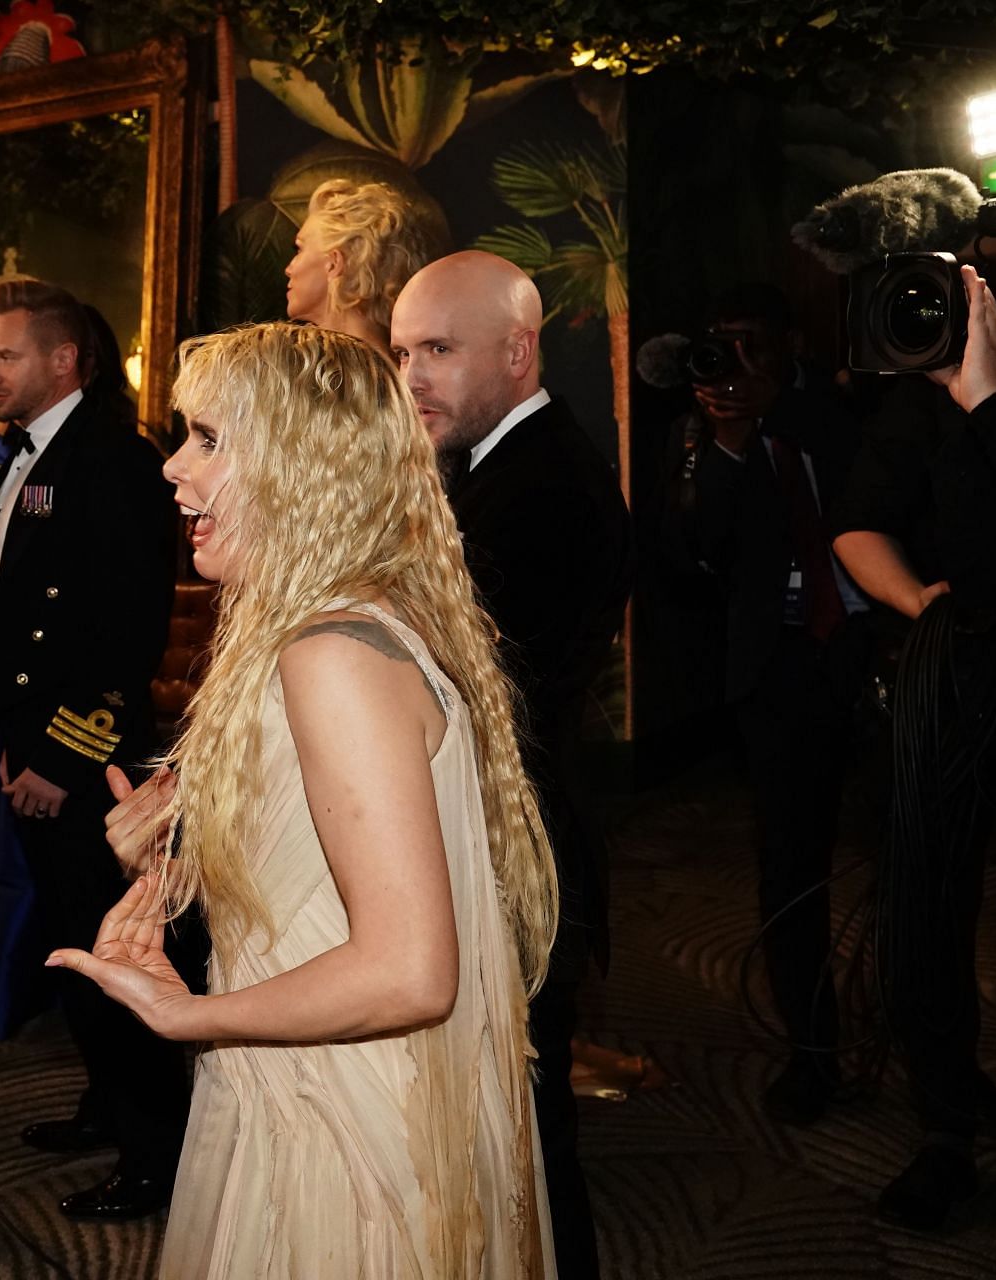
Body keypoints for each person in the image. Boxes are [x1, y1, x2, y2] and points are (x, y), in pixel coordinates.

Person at [55, 321, 556, 1276]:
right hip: (321, 1075)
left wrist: (181, 1015)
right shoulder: (345, 619)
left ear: (301, 461)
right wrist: (181, 856)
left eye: (209, 439)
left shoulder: (330, 654)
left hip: (341, 1104)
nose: (173, 470)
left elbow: (410, 972)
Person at [390, 249, 632, 1279]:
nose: (412, 377)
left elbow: (474, 696)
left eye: (438, 349)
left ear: (518, 349)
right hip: (497, 839)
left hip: (512, 852)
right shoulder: (496, 467)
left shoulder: (544, 490)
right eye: (402, 351)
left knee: (524, 1134)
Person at [0, 275, 185, 1220]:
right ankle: (109, 1105)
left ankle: (154, 1153)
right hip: (30, 738)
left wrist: (59, 757)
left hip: (87, 761)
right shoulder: (28, 454)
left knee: (111, 948)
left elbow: (123, 636)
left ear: (64, 360)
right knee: (76, 946)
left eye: (6, 355)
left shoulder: (114, 461)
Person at [656, 283, 872, 1125]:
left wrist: (777, 415)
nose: (734, 361)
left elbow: (877, 487)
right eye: (722, 341)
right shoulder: (703, 428)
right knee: (790, 868)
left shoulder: (847, 403)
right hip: (778, 672)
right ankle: (811, 1050)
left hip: (876, 646)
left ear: (790, 345)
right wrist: (731, 443)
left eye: (753, 342)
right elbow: (691, 556)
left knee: (920, 859)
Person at [831, 264, 996, 1229]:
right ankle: (947, 1126)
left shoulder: (983, 393)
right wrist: (918, 603)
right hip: (957, 681)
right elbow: (856, 523)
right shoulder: (921, 391)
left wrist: (991, 401)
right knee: (924, 903)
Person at [285, 178, 439, 350]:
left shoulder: (317, 371)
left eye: (299, 249)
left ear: (334, 263)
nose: (288, 269)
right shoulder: (403, 370)